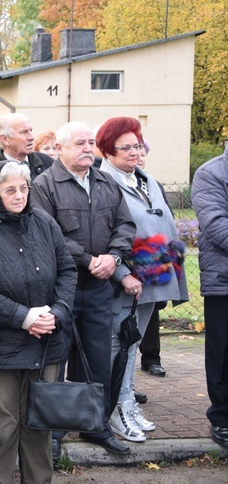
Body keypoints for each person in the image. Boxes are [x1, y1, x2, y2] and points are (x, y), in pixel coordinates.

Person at [32, 121, 135, 458]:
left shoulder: (106, 182)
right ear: (60, 148)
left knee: (97, 358)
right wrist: (88, 259)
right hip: (62, 288)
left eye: (91, 142)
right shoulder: (44, 185)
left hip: (100, 287)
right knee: (57, 358)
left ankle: (95, 426)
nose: (88, 148)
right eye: (80, 143)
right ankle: (57, 430)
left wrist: (113, 257)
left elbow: (125, 224)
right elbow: (48, 233)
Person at [0, 160, 76, 483]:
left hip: (46, 341)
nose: (19, 195)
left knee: (39, 422)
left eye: (23, 188)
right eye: (10, 190)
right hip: (0, 346)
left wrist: (57, 312)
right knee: (1, 423)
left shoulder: (45, 222)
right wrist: (23, 317)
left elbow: (67, 271)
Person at [97, 118, 188, 442]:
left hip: (153, 277)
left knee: (133, 342)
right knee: (117, 343)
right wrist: (124, 273)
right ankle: (114, 408)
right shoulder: (105, 182)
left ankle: (127, 400)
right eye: (126, 147)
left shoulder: (144, 179)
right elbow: (106, 236)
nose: (135, 151)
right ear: (108, 151)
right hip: (124, 279)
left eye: (138, 145)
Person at [192, 141, 228, 449]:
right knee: (223, 352)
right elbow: (217, 225)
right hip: (224, 280)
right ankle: (222, 418)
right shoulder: (211, 173)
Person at [136, 139, 168, 379]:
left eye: (142, 152)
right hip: (130, 253)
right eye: (133, 150)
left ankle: (151, 358)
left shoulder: (153, 184)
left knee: (153, 308)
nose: (138, 156)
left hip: (153, 254)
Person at [0, 113, 53, 180]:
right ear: (5, 139)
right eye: (24, 132)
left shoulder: (47, 162)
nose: (32, 137)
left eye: (31, 130)